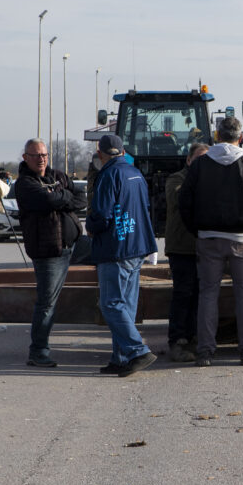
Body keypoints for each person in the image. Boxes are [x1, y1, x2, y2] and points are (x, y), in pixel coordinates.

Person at [177, 116, 243, 367]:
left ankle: (206, 351)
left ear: (217, 136)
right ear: (240, 137)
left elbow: (184, 203)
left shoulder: (199, 166)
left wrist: (197, 230)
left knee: (208, 293)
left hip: (208, 237)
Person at [86, 134, 159, 377]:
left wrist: (90, 227)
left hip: (115, 248)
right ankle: (121, 357)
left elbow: (102, 215)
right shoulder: (135, 173)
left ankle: (138, 351)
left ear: (101, 154)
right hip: (136, 245)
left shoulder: (108, 175)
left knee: (110, 304)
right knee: (125, 306)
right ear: (122, 150)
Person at [15, 138, 87, 368]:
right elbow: (47, 199)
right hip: (49, 252)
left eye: (44, 154)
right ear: (26, 157)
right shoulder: (25, 183)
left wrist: (60, 198)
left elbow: (81, 198)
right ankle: (38, 352)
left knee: (110, 256)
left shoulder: (58, 176)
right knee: (47, 303)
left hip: (74, 245)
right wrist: (63, 197)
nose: (41, 159)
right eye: (36, 155)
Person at [164, 142, 209, 363]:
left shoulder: (209, 180)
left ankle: (193, 338)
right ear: (189, 160)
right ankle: (177, 340)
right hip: (182, 247)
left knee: (200, 295)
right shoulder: (176, 179)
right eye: (199, 159)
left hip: (203, 247)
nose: (202, 163)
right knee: (183, 294)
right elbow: (179, 199)